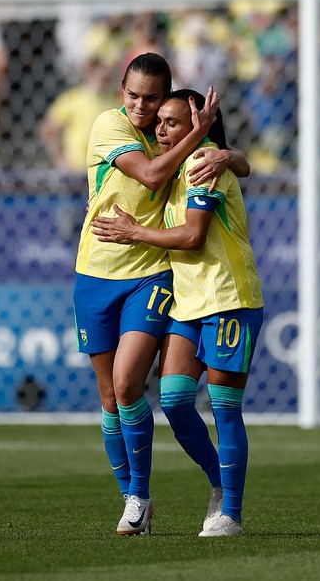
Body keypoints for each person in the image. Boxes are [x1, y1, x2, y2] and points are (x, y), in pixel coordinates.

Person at [73, 52, 249, 536]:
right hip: (94, 272)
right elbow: (152, 175)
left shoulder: (179, 143)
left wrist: (218, 147)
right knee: (111, 397)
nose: (142, 107)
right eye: (134, 95)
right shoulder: (111, 126)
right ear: (120, 91)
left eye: (153, 99)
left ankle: (216, 500)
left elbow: (227, 167)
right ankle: (136, 500)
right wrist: (206, 137)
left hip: (153, 275)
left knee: (131, 383)